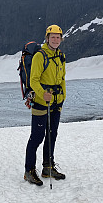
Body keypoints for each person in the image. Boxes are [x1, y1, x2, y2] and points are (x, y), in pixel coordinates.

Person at [24, 24, 66, 186]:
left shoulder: (60, 55)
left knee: (52, 135)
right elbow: (33, 80)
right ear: (47, 38)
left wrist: (63, 96)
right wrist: (43, 94)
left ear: (61, 39)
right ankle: (29, 170)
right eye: (52, 37)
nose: (55, 40)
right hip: (41, 102)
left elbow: (62, 78)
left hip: (56, 102)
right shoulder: (40, 56)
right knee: (37, 137)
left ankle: (47, 167)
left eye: (58, 37)